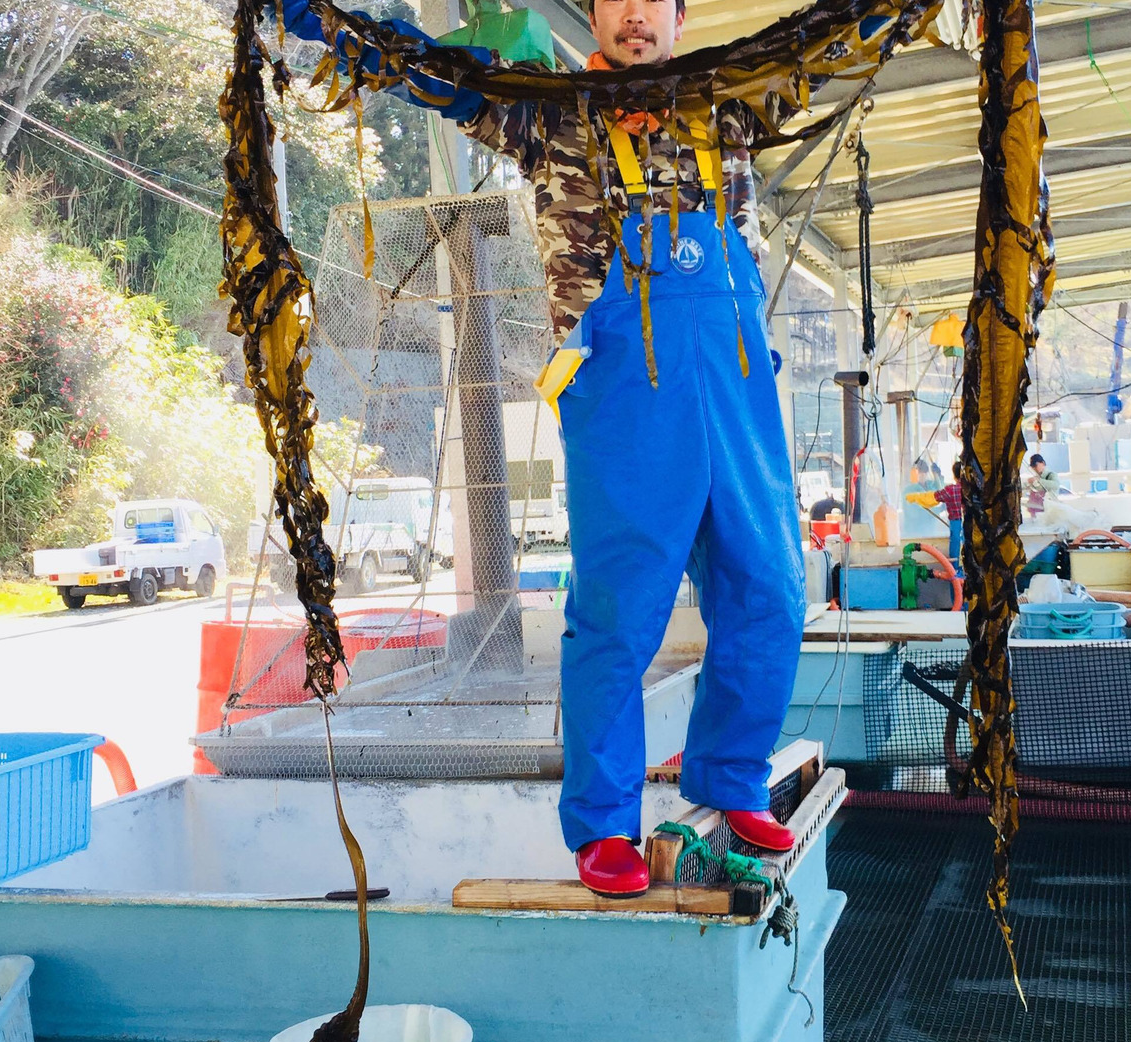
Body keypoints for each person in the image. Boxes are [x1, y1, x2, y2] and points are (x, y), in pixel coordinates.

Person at [282, 0, 909, 898]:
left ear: (680, 15)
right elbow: (431, 74)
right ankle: (605, 822)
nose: (634, 14)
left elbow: (834, 42)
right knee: (619, 611)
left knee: (769, 589)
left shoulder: (731, 102)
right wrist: (323, 21)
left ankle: (731, 777)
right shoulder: (549, 114)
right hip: (623, 394)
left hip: (735, 384)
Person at [904, 461, 964, 559]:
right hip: (916, 529)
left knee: (956, 546)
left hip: (946, 524)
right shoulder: (909, 489)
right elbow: (914, 513)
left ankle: (955, 566)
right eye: (920, 472)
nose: (923, 475)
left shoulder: (949, 489)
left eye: (924, 472)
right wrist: (939, 509)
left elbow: (935, 495)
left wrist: (937, 476)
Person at [1024, 454, 1059, 520]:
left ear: (1042, 463)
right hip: (1037, 512)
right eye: (1032, 466)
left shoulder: (1051, 475)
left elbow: (1055, 485)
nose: (1034, 468)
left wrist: (1039, 481)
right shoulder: (1035, 478)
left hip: (1049, 511)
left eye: (1035, 465)